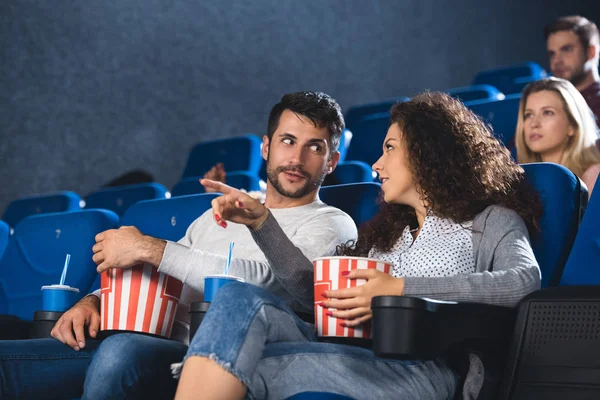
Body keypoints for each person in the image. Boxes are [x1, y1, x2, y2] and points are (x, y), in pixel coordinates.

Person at [173, 92, 543, 399]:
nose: (377, 164)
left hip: (424, 367)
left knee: (239, 364)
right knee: (238, 299)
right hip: (355, 354)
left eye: (390, 148)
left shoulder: (489, 220)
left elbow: (522, 282)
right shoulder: (385, 234)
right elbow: (310, 293)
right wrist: (262, 224)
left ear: (428, 154)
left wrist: (398, 290)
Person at [0, 92, 358, 400]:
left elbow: (269, 287)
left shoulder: (333, 223)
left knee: (120, 351)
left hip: (204, 358)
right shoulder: (216, 215)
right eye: (288, 141)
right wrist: (94, 302)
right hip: (144, 337)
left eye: (315, 147)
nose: (296, 158)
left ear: (332, 161)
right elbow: (170, 273)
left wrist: (150, 247)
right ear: (266, 147)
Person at [515, 77, 600, 196]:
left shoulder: (595, 177)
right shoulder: (519, 182)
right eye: (528, 115)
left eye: (547, 113)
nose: (534, 124)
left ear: (572, 125)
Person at [545, 16, 600, 121]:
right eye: (552, 54)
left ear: (591, 52)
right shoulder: (543, 104)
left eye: (566, 49)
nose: (556, 61)